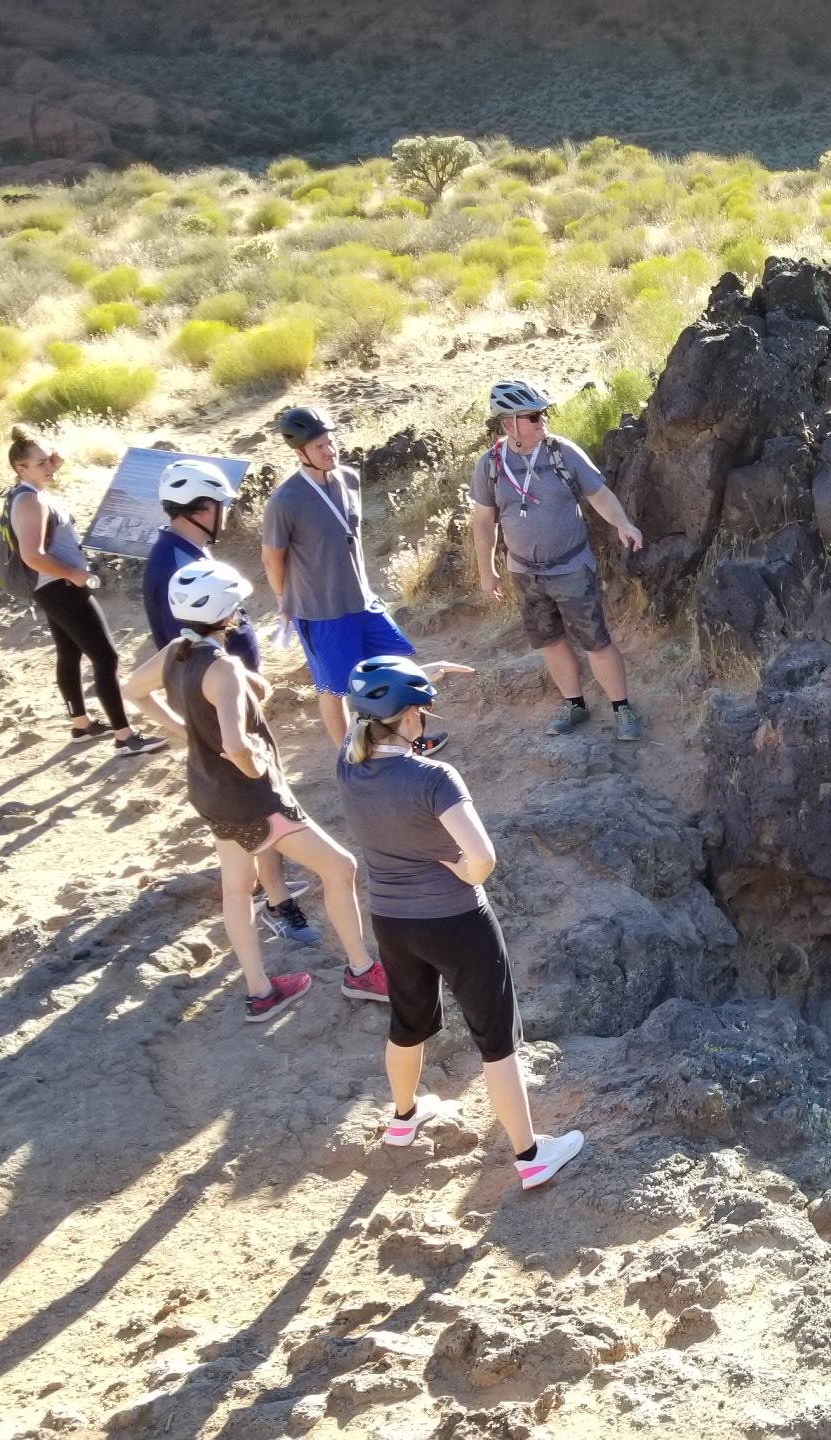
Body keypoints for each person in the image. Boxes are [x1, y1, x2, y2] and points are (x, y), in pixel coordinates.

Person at [337, 654, 585, 1190]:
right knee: (496, 1040)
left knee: (407, 1023)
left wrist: (412, 678)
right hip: (456, 920)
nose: (426, 718)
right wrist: (464, 869)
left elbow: (349, 706)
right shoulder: (433, 776)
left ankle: (403, 1121)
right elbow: (484, 858)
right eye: (422, 709)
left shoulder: (346, 761)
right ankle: (530, 1156)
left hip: (391, 919)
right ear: (409, 719)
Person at [123, 558, 391, 1021]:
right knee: (341, 868)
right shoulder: (222, 669)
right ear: (226, 610)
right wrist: (250, 766)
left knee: (236, 891)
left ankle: (261, 992)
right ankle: (361, 971)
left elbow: (132, 690)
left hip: (208, 793)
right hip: (254, 799)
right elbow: (235, 742)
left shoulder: (175, 653)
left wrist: (185, 730)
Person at [143, 458, 322, 948]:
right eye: (220, 506)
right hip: (220, 704)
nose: (225, 514)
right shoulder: (176, 565)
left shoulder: (181, 553)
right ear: (201, 508)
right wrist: (195, 725)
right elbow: (177, 649)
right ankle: (279, 902)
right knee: (258, 801)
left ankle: (272, 891)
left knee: (259, 803)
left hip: (229, 698)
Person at [469, 379, 648, 741]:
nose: (542, 421)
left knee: (595, 641)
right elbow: (483, 523)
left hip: (571, 567)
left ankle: (623, 708)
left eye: (543, 414)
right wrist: (487, 571)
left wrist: (623, 523)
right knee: (549, 641)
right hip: (524, 573)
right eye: (533, 416)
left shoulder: (561, 452)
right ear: (509, 424)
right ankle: (575, 705)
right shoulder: (489, 466)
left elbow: (599, 494)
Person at [260, 405, 440, 753]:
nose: (329, 451)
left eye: (330, 442)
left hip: (362, 600)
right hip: (320, 609)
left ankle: (409, 742)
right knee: (335, 688)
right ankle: (351, 756)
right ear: (300, 453)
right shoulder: (284, 501)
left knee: (396, 667)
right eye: (318, 447)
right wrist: (284, 601)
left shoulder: (349, 478)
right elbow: (271, 558)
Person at [2, 427, 167, 758]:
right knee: (106, 657)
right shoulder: (31, 501)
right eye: (41, 463)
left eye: (50, 459)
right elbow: (31, 555)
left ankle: (81, 724)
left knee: (70, 652)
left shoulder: (27, 491)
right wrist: (74, 574)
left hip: (49, 587)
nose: (49, 466)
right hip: (59, 585)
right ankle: (125, 736)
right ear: (21, 468)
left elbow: (42, 477)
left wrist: (52, 462)